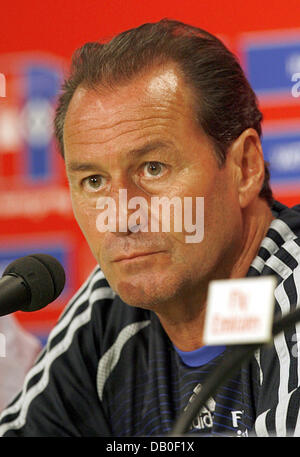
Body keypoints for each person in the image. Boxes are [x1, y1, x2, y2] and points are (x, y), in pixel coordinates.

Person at [0, 18, 300, 437]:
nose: (121, 215)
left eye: (153, 168)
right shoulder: (105, 312)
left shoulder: (294, 302)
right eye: (94, 182)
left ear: (244, 168)